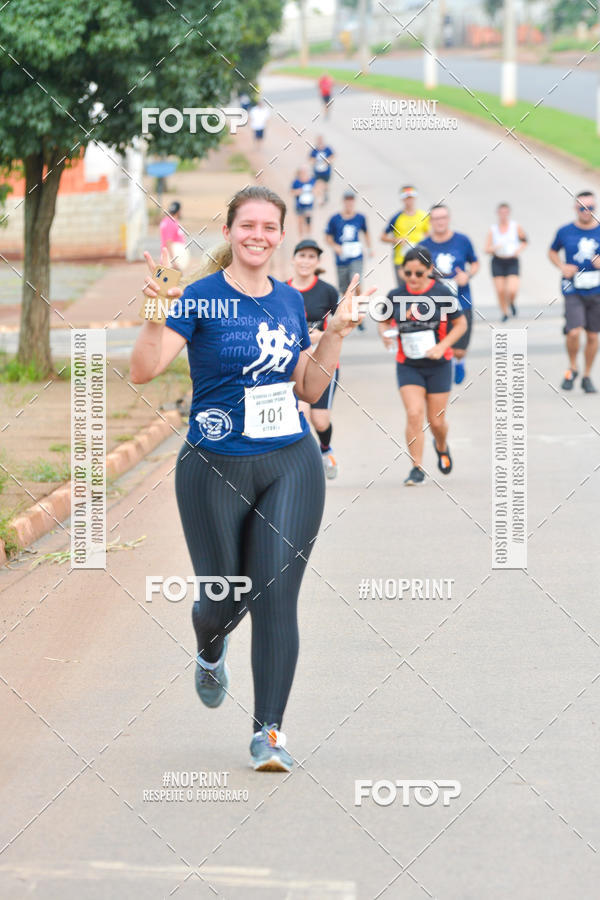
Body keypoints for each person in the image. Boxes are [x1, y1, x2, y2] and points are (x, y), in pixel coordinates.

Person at [130, 185, 370, 772]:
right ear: (231, 230)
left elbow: (309, 390)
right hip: (214, 465)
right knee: (224, 598)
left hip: (291, 459)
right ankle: (210, 644)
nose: (258, 235)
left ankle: (270, 733)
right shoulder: (198, 298)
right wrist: (157, 308)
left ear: (281, 235)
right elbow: (143, 369)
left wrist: (333, 334)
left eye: (269, 227)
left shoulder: (291, 302)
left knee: (275, 596)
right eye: (248, 225)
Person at [377, 247, 466, 485]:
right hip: (408, 364)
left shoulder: (441, 292)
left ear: (429, 270)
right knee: (414, 413)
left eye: (419, 273)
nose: (413, 278)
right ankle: (416, 467)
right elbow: (383, 320)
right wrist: (385, 334)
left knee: (436, 421)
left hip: (439, 364)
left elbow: (460, 324)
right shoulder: (395, 295)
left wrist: (442, 345)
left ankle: (441, 445)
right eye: (408, 273)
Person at [287, 239, 340, 478]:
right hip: (291, 363)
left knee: (320, 421)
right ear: (294, 259)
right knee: (300, 413)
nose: (306, 261)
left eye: (311, 257)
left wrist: (320, 335)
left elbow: (339, 327)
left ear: (317, 262)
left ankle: (325, 450)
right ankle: (302, 466)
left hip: (321, 362)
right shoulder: (281, 289)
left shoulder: (327, 291)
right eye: (302, 255)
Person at [419, 204, 479, 385]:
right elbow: (414, 271)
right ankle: (440, 374)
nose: (440, 222)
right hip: (433, 305)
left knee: (459, 348)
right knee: (437, 345)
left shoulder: (462, 240)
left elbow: (475, 263)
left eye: (443, 217)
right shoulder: (423, 246)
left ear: (448, 219)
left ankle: (459, 361)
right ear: (430, 221)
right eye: (436, 218)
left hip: (461, 301)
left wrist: (467, 275)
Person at [549, 190, 600, 393]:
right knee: (574, 331)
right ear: (575, 208)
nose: (587, 212)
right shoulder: (565, 231)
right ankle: (573, 366)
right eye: (582, 208)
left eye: (591, 208)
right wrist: (562, 266)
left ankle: (587, 374)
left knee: (593, 336)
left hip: (596, 290)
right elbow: (552, 251)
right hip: (572, 289)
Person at [325, 190, 372, 329]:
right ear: (343, 202)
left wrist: (369, 248)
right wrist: (335, 246)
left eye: (351, 200)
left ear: (354, 202)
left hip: (356, 256)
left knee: (356, 282)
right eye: (347, 200)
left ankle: (358, 315)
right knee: (344, 288)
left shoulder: (360, 218)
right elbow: (328, 237)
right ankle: (348, 313)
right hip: (342, 257)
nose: (349, 203)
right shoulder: (335, 219)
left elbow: (366, 232)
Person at [484, 203, 527, 321]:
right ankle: (504, 312)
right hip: (498, 260)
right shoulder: (493, 229)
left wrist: (518, 250)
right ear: (497, 214)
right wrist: (494, 248)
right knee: (500, 290)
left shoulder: (515, 226)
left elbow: (524, 240)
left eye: (505, 212)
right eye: (501, 213)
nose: (503, 215)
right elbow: (486, 248)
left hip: (512, 259)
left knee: (512, 289)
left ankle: (511, 302)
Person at [381, 186, 430, 285]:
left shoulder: (423, 216)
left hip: (420, 259)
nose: (409, 201)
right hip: (401, 260)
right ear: (402, 199)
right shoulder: (396, 217)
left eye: (411, 198)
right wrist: (395, 240)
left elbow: (429, 236)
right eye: (407, 198)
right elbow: (383, 237)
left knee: (421, 290)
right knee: (403, 291)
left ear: (415, 198)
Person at [159, 201, 189, 271]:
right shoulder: (171, 222)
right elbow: (168, 242)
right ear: (178, 211)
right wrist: (174, 261)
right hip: (171, 262)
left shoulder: (166, 220)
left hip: (169, 259)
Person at [291, 165, 316, 237]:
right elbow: (292, 192)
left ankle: (309, 235)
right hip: (299, 205)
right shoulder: (296, 182)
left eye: (305, 172)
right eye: (303, 172)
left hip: (309, 205)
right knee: (300, 221)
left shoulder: (312, 180)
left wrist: (313, 191)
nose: (304, 174)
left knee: (308, 220)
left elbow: (316, 190)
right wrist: (299, 191)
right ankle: (301, 237)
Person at [309, 135, 335, 206]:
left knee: (325, 185)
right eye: (318, 140)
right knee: (318, 185)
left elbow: (333, 156)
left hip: (326, 171)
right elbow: (310, 159)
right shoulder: (314, 150)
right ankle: (319, 199)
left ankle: (325, 196)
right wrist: (316, 160)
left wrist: (327, 161)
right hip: (317, 172)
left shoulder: (327, 149)